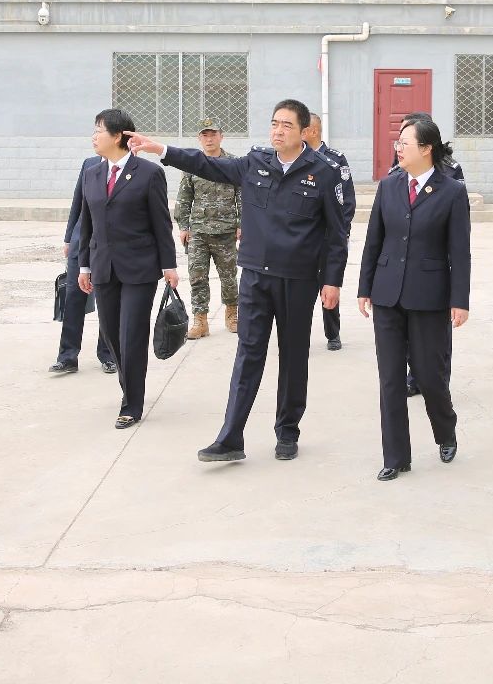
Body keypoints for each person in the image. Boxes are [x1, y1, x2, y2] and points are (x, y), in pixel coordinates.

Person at [125, 99, 348, 463]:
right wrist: (161, 149)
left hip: (298, 279)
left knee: (293, 357)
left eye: (287, 125)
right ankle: (231, 438)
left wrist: (332, 280)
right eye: (274, 123)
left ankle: (287, 432)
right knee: (248, 354)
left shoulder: (324, 171)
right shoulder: (256, 162)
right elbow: (206, 164)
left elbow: (337, 233)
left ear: (304, 131)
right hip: (256, 277)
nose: (278, 131)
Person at [358, 118, 470, 482]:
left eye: (404, 143)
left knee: (429, 376)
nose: (398, 148)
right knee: (390, 379)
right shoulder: (389, 186)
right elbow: (374, 240)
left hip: (429, 296)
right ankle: (396, 457)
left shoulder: (451, 191)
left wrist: (460, 299)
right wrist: (364, 287)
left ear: (426, 148)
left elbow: (460, 251)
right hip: (387, 294)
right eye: (398, 143)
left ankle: (445, 431)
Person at [76, 109, 179, 430]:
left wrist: (169, 264)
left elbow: (161, 223)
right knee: (111, 334)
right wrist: (83, 265)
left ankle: (132, 403)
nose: (94, 136)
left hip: (139, 268)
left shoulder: (148, 173)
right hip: (102, 267)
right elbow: (87, 223)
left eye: (99, 130)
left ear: (118, 136)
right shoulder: (92, 173)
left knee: (131, 333)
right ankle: (130, 384)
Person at [388, 111, 465, 396]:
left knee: (435, 337)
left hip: (435, 261)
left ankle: (436, 379)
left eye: (406, 138)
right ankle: (414, 375)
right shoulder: (396, 173)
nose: (400, 146)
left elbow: (458, 229)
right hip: (404, 266)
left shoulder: (449, 172)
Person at [174, 118, 241, 340]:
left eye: (213, 134)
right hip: (198, 232)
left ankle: (232, 315)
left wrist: (242, 224)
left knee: (229, 277)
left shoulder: (233, 163)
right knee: (197, 277)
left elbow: (242, 195)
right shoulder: (193, 164)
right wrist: (183, 226)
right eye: (205, 135)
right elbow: (184, 197)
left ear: (221, 136)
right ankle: (200, 320)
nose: (209, 139)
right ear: (199, 138)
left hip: (226, 231)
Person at [50, 153, 116, 375]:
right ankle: (67, 357)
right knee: (73, 299)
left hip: (110, 246)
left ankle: (108, 355)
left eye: (99, 135)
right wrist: (69, 238)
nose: (95, 138)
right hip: (82, 242)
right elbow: (77, 201)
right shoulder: (90, 164)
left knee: (108, 302)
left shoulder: (131, 167)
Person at [303, 112, 355, 351]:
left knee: (330, 285)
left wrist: (341, 232)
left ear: (313, 131)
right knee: (300, 291)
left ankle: (332, 334)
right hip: (303, 239)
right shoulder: (297, 158)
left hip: (328, 237)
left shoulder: (335, 159)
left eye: (302, 128)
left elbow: (347, 200)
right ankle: (298, 336)